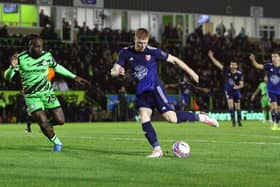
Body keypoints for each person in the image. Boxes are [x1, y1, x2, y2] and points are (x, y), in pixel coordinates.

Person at [111, 28, 219, 158]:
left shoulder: (153, 51)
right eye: (139, 43)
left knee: (172, 119)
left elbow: (175, 60)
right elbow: (114, 69)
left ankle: (201, 117)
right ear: (134, 39)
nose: (142, 45)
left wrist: (192, 73)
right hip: (142, 92)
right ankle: (157, 149)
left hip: (156, 89)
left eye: (145, 42)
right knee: (144, 118)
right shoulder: (125, 52)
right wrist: (117, 72)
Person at [4, 35, 89, 152]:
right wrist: (12, 67)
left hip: (47, 93)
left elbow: (57, 67)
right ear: (30, 46)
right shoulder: (20, 58)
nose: (39, 49)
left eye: (41, 46)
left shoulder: (47, 55)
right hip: (32, 96)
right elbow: (7, 77)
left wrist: (74, 77)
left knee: (60, 121)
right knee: (42, 121)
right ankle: (57, 143)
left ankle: (46, 126)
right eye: (37, 47)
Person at [208, 50, 244, 127]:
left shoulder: (239, 74)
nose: (232, 66)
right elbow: (218, 64)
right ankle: (233, 121)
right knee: (230, 106)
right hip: (228, 91)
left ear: (236, 66)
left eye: (234, 64)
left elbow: (242, 84)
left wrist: (237, 87)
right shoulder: (226, 71)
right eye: (231, 64)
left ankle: (239, 120)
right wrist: (211, 57)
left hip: (236, 91)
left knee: (238, 107)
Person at [249, 51, 280, 130]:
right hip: (271, 91)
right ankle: (274, 124)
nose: (273, 58)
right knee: (274, 107)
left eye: (275, 56)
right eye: (272, 57)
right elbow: (258, 66)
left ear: (279, 58)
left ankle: (277, 123)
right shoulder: (269, 66)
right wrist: (253, 60)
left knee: (278, 109)